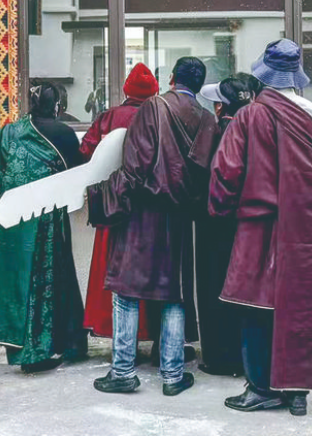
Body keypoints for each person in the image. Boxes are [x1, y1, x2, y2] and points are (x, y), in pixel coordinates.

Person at [209, 40, 312, 417]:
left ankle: (261, 389)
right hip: (309, 230)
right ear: (296, 76)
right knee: (303, 307)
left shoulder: (248, 116)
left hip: (258, 227)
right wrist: (305, 197)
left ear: (264, 73)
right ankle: (297, 394)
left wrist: (222, 212)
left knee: (258, 308)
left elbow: (226, 173)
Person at [87, 57, 218, 397]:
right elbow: (205, 176)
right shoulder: (208, 120)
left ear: (171, 78)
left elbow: (134, 167)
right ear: (200, 86)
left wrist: (107, 195)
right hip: (181, 219)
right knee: (174, 296)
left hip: (142, 215)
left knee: (126, 293)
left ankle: (122, 372)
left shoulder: (153, 108)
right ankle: (173, 375)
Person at [0, 81, 87, 373]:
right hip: (46, 220)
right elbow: (77, 172)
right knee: (45, 282)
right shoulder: (64, 133)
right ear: (57, 106)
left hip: (13, 219)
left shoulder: (10, 132)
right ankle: (40, 352)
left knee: (17, 282)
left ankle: (20, 348)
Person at [81, 63, 161, 342]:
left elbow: (86, 151)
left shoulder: (108, 117)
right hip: (150, 206)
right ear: (155, 92)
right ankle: (149, 331)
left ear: (126, 90)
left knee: (111, 268)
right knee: (151, 270)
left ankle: (114, 332)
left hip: (112, 204)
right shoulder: (160, 118)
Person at [194, 74, 257, 376]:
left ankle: (219, 357)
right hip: (248, 224)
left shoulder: (218, 132)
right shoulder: (257, 128)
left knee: (214, 289)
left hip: (215, 224)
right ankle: (244, 357)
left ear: (221, 106)